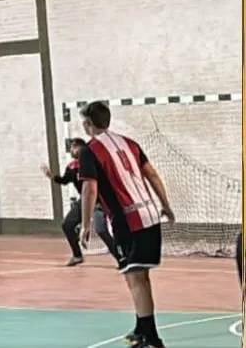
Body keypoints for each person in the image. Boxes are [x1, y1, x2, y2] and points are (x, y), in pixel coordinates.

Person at [78, 101, 173, 348]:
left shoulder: (90, 150)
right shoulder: (129, 143)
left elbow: (89, 188)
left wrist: (86, 223)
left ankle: (151, 338)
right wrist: (165, 204)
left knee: (135, 278)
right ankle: (142, 328)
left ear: (89, 124)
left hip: (128, 220)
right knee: (141, 276)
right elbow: (151, 173)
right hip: (150, 215)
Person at [42, 138, 116, 265]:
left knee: (101, 230)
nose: (71, 150)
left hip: (99, 201)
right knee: (67, 225)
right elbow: (64, 180)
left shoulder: (92, 162)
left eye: (73, 147)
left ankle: (121, 258)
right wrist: (51, 176)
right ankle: (77, 255)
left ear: (79, 148)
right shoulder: (72, 167)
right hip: (84, 201)